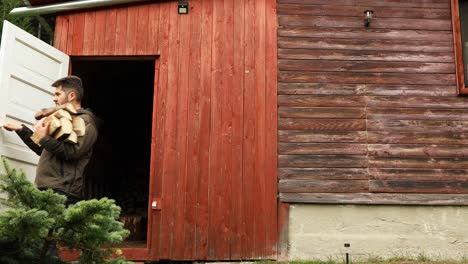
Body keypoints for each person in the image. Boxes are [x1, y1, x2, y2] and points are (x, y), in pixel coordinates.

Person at [2, 75, 98, 207]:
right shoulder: (61, 119)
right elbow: (44, 148)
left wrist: (44, 138)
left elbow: (73, 152)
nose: (54, 98)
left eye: (58, 94)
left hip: (63, 192)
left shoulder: (85, 122)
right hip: (46, 188)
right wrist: (22, 130)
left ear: (71, 96)